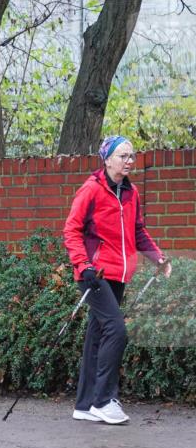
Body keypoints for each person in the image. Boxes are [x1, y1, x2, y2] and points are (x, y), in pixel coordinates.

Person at [63, 135, 171, 425]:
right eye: (123, 156)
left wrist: (157, 257)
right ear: (107, 159)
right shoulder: (91, 190)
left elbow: (138, 232)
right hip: (93, 274)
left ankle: (85, 405)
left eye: (131, 156)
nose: (129, 161)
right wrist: (82, 264)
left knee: (98, 335)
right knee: (116, 330)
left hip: (119, 274)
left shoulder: (131, 192)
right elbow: (71, 231)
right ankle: (103, 400)